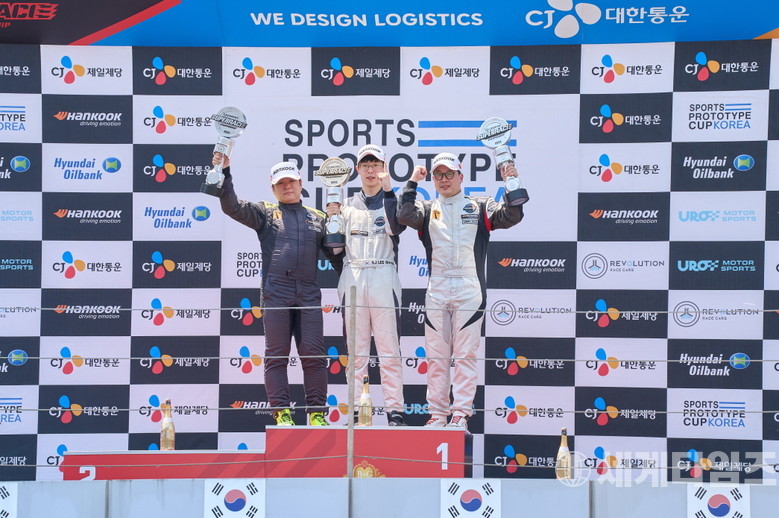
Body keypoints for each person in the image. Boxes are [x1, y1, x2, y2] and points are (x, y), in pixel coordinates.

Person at [397, 152, 524, 429]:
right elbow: (404, 215)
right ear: (433, 179)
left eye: (449, 174)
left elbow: (512, 215)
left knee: (465, 354)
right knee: (436, 357)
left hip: (469, 287)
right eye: (438, 175)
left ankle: (461, 414)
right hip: (437, 288)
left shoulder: (480, 205)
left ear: (460, 176)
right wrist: (412, 183)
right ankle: (437, 414)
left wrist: (511, 181)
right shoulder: (427, 208)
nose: (444, 179)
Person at [214, 152, 340, 427]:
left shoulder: (318, 217)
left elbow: (337, 257)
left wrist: (339, 229)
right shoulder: (265, 212)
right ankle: (282, 413)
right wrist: (225, 172)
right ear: (273, 188)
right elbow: (231, 206)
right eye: (280, 183)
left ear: (301, 183)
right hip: (277, 292)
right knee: (277, 355)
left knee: (313, 354)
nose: (287, 187)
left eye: (291, 181)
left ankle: (317, 414)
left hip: (308, 293)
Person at [326, 144, 407, 426]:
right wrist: (332, 218)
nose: (371, 170)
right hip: (354, 274)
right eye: (366, 165)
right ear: (357, 169)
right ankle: (356, 411)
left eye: (376, 165)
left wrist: (389, 191)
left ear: (384, 168)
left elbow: (396, 227)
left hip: (384, 273)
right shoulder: (345, 205)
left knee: (389, 349)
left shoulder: (392, 200)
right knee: (355, 350)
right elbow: (335, 248)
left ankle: (395, 412)